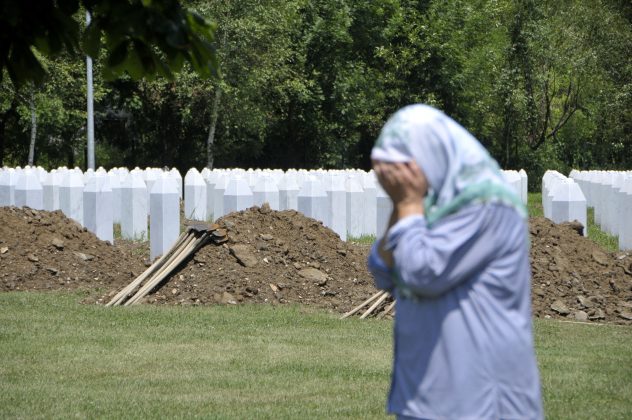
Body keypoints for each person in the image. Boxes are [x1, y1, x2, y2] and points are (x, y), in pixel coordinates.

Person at [368, 104, 543, 419]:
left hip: (477, 401)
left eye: (400, 170)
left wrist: (407, 203)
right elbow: (383, 270)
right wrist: (402, 205)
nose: (394, 180)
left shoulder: (487, 205)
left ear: (429, 155)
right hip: (428, 397)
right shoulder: (432, 205)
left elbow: (422, 272)